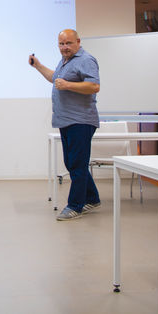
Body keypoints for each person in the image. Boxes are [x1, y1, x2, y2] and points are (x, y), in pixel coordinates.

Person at [29, 29, 101, 221]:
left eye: (68, 43)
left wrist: (68, 85)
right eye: (61, 44)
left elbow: (94, 86)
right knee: (73, 163)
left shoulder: (86, 59)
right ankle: (92, 198)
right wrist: (38, 66)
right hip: (66, 120)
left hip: (81, 120)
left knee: (77, 163)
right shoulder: (65, 61)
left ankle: (75, 206)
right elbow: (55, 79)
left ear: (78, 42)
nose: (64, 47)